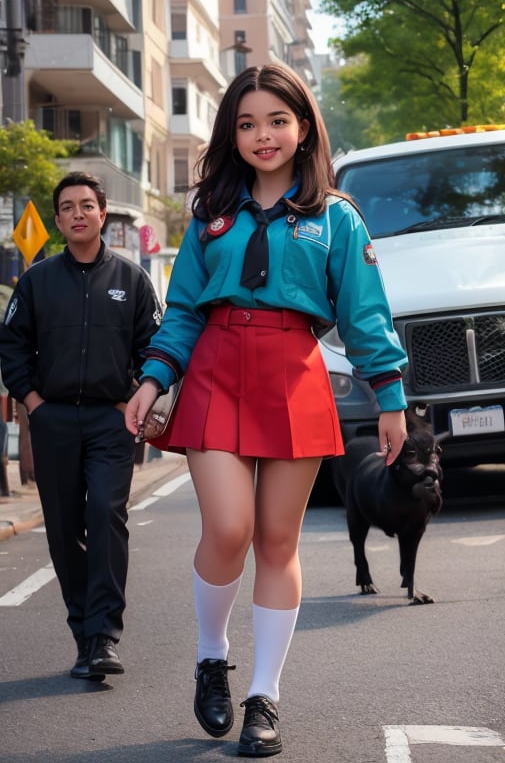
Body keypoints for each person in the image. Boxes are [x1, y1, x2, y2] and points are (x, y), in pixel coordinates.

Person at [125, 64, 408, 756]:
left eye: (277, 121)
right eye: (247, 124)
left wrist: (391, 397)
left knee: (277, 542)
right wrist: (154, 377)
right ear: (232, 134)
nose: (263, 135)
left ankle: (264, 697)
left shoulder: (337, 217)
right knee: (228, 529)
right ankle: (210, 658)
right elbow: (184, 308)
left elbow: (364, 314)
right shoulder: (209, 214)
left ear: (303, 127)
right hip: (217, 369)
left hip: (294, 373)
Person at [0, 172, 162, 681]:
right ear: (57, 220)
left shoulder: (132, 280)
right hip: (54, 422)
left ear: (102, 213)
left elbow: (152, 348)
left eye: (86, 205)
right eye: (67, 207)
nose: (77, 214)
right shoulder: (36, 281)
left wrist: (136, 398)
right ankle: (83, 633)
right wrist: (33, 402)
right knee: (66, 526)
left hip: (111, 421)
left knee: (107, 515)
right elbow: (11, 347)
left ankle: (104, 636)